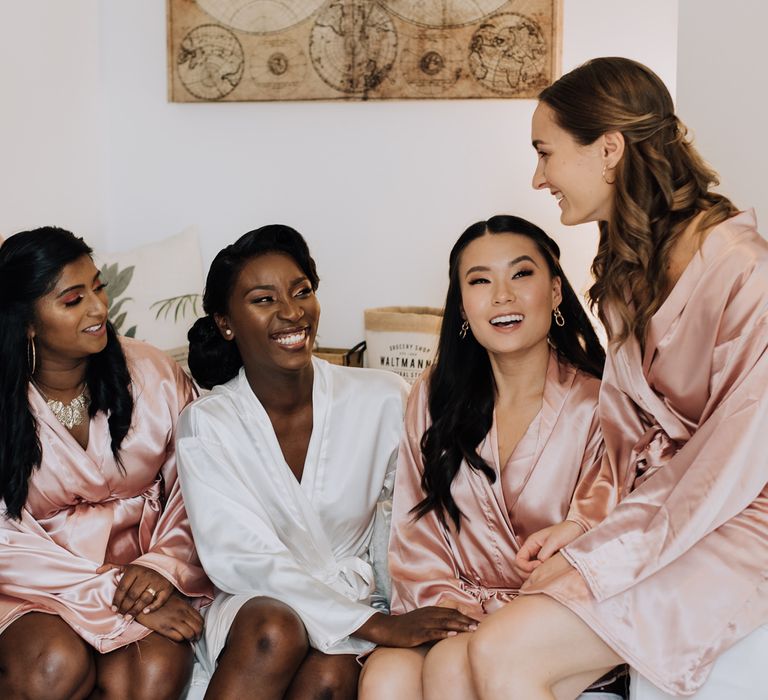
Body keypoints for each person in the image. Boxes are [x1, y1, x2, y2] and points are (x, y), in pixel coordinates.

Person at [464, 57, 768, 699]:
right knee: (496, 649)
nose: (538, 177)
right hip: (668, 512)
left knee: (503, 646)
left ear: (608, 149)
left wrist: (603, 553)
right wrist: (587, 526)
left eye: (545, 154)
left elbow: (731, 460)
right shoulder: (628, 266)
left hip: (742, 515)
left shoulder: (746, 272)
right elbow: (628, 432)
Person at [176, 224, 478, 700]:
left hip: (356, 597)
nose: (292, 312)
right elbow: (242, 561)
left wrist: (396, 608)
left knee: (332, 677)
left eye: (302, 292)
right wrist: (374, 625)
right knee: (277, 627)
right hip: (258, 612)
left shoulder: (382, 398)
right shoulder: (206, 424)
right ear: (225, 322)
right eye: (263, 299)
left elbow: (410, 520)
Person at [359, 215, 618, 700]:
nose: (502, 296)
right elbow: (418, 533)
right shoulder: (434, 395)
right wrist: (457, 610)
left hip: (555, 611)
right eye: (480, 281)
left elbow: (603, 527)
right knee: (385, 677)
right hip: (454, 600)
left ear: (557, 291)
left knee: (456, 665)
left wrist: (499, 622)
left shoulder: (598, 402)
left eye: (521, 274)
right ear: (461, 306)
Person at [0, 227, 212, 700]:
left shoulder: (154, 375)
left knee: (151, 674)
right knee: (52, 667)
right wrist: (109, 589)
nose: (99, 308)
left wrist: (163, 568)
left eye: (99, 287)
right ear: (27, 322)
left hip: (148, 572)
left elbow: (198, 485)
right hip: (36, 581)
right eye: (74, 299)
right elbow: (4, 541)